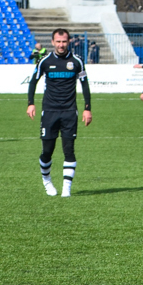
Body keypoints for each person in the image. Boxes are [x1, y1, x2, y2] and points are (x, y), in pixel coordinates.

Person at [27, 29, 92, 197]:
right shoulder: (45, 61)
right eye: (58, 41)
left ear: (68, 41)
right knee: (47, 151)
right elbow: (33, 82)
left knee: (69, 149)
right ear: (53, 42)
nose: (61, 45)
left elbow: (85, 85)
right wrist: (31, 104)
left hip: (70, 112)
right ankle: (47, 180)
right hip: (49, 112)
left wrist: (87, 108)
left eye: (64, 41)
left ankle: (66, 189)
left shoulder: (77, 61)